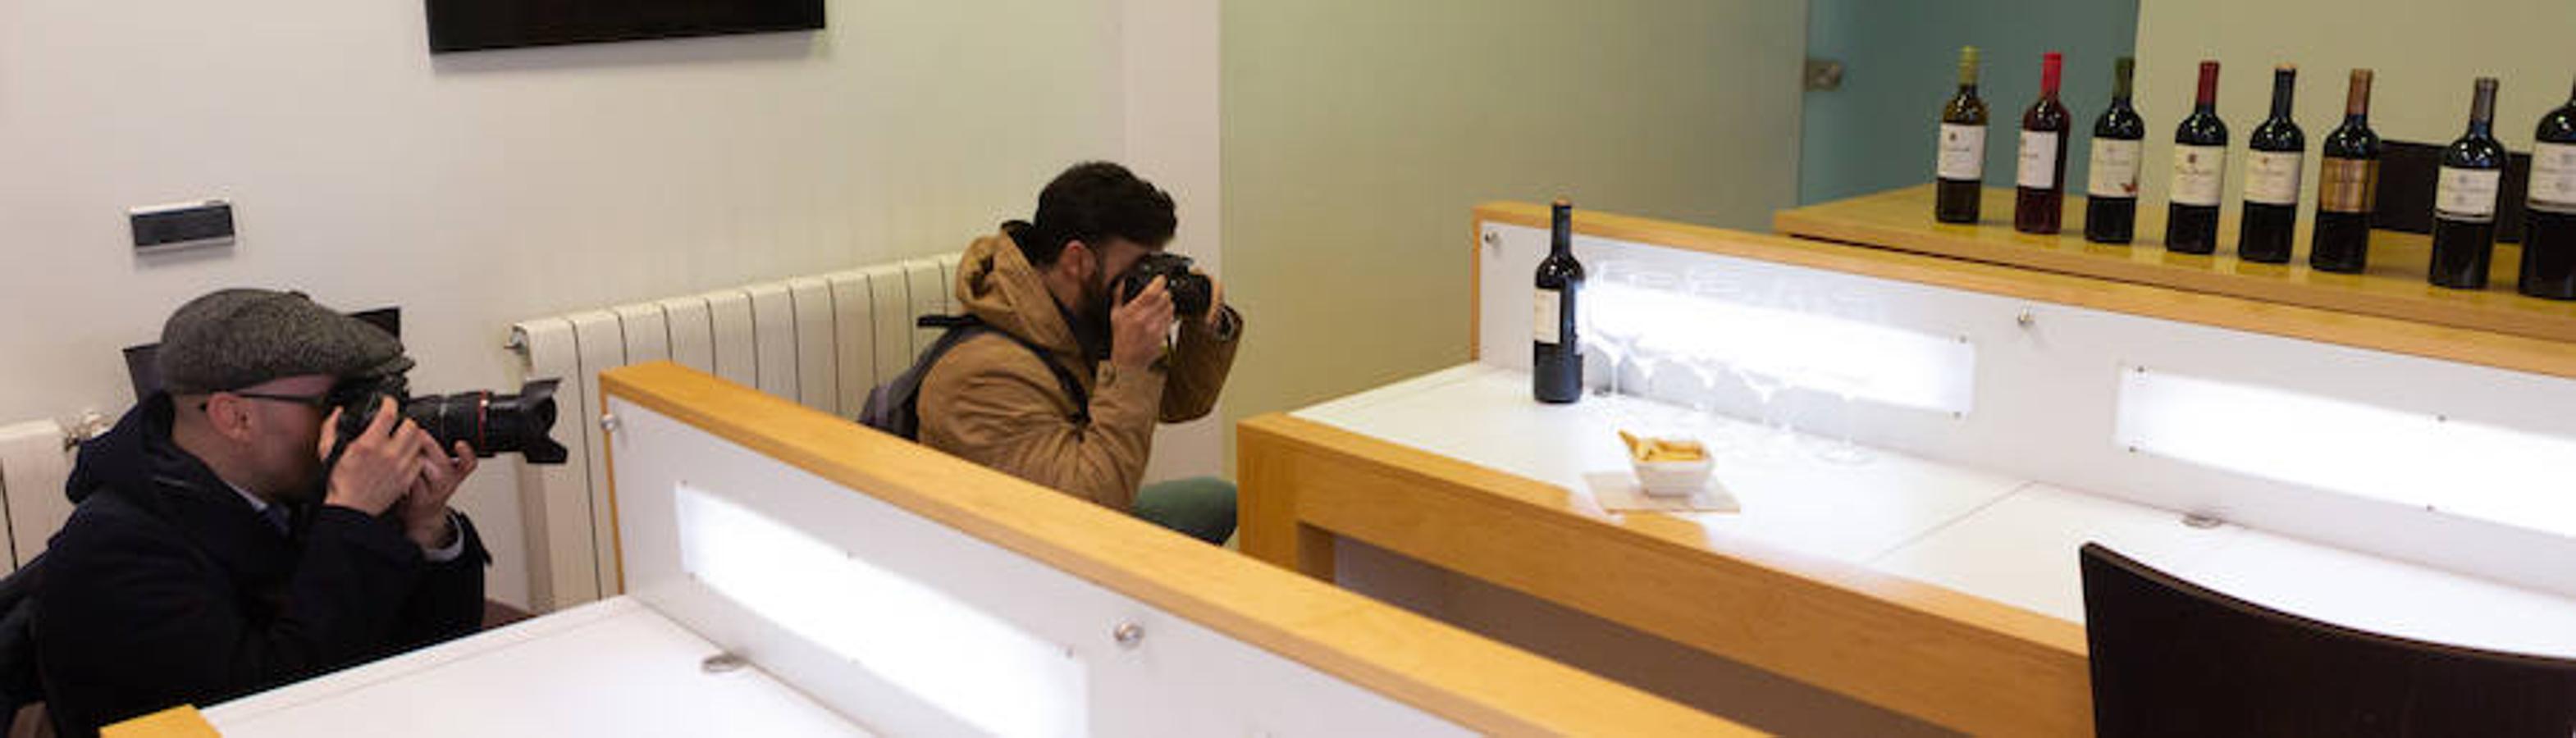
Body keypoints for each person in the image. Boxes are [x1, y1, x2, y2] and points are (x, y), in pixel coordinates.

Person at [34, 289, 489, 737]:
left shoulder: (289, 487)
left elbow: (433, 651)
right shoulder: (115, 556)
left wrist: (425, 528)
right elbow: (273, 707)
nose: (350, 424)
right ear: (235, 418)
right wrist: (351, 523)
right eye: (331, 404)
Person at [919, 162, 1244, 544]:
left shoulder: (1074, 316)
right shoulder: (982, 376)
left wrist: (1203, 326)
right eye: (1140, 266)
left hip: (1076, 503)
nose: (1149, 280)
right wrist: (1128, 368)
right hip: (1017, 547)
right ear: (1078, 261)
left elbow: (1180, 402)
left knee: (1218, 499)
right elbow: (1086, 518)